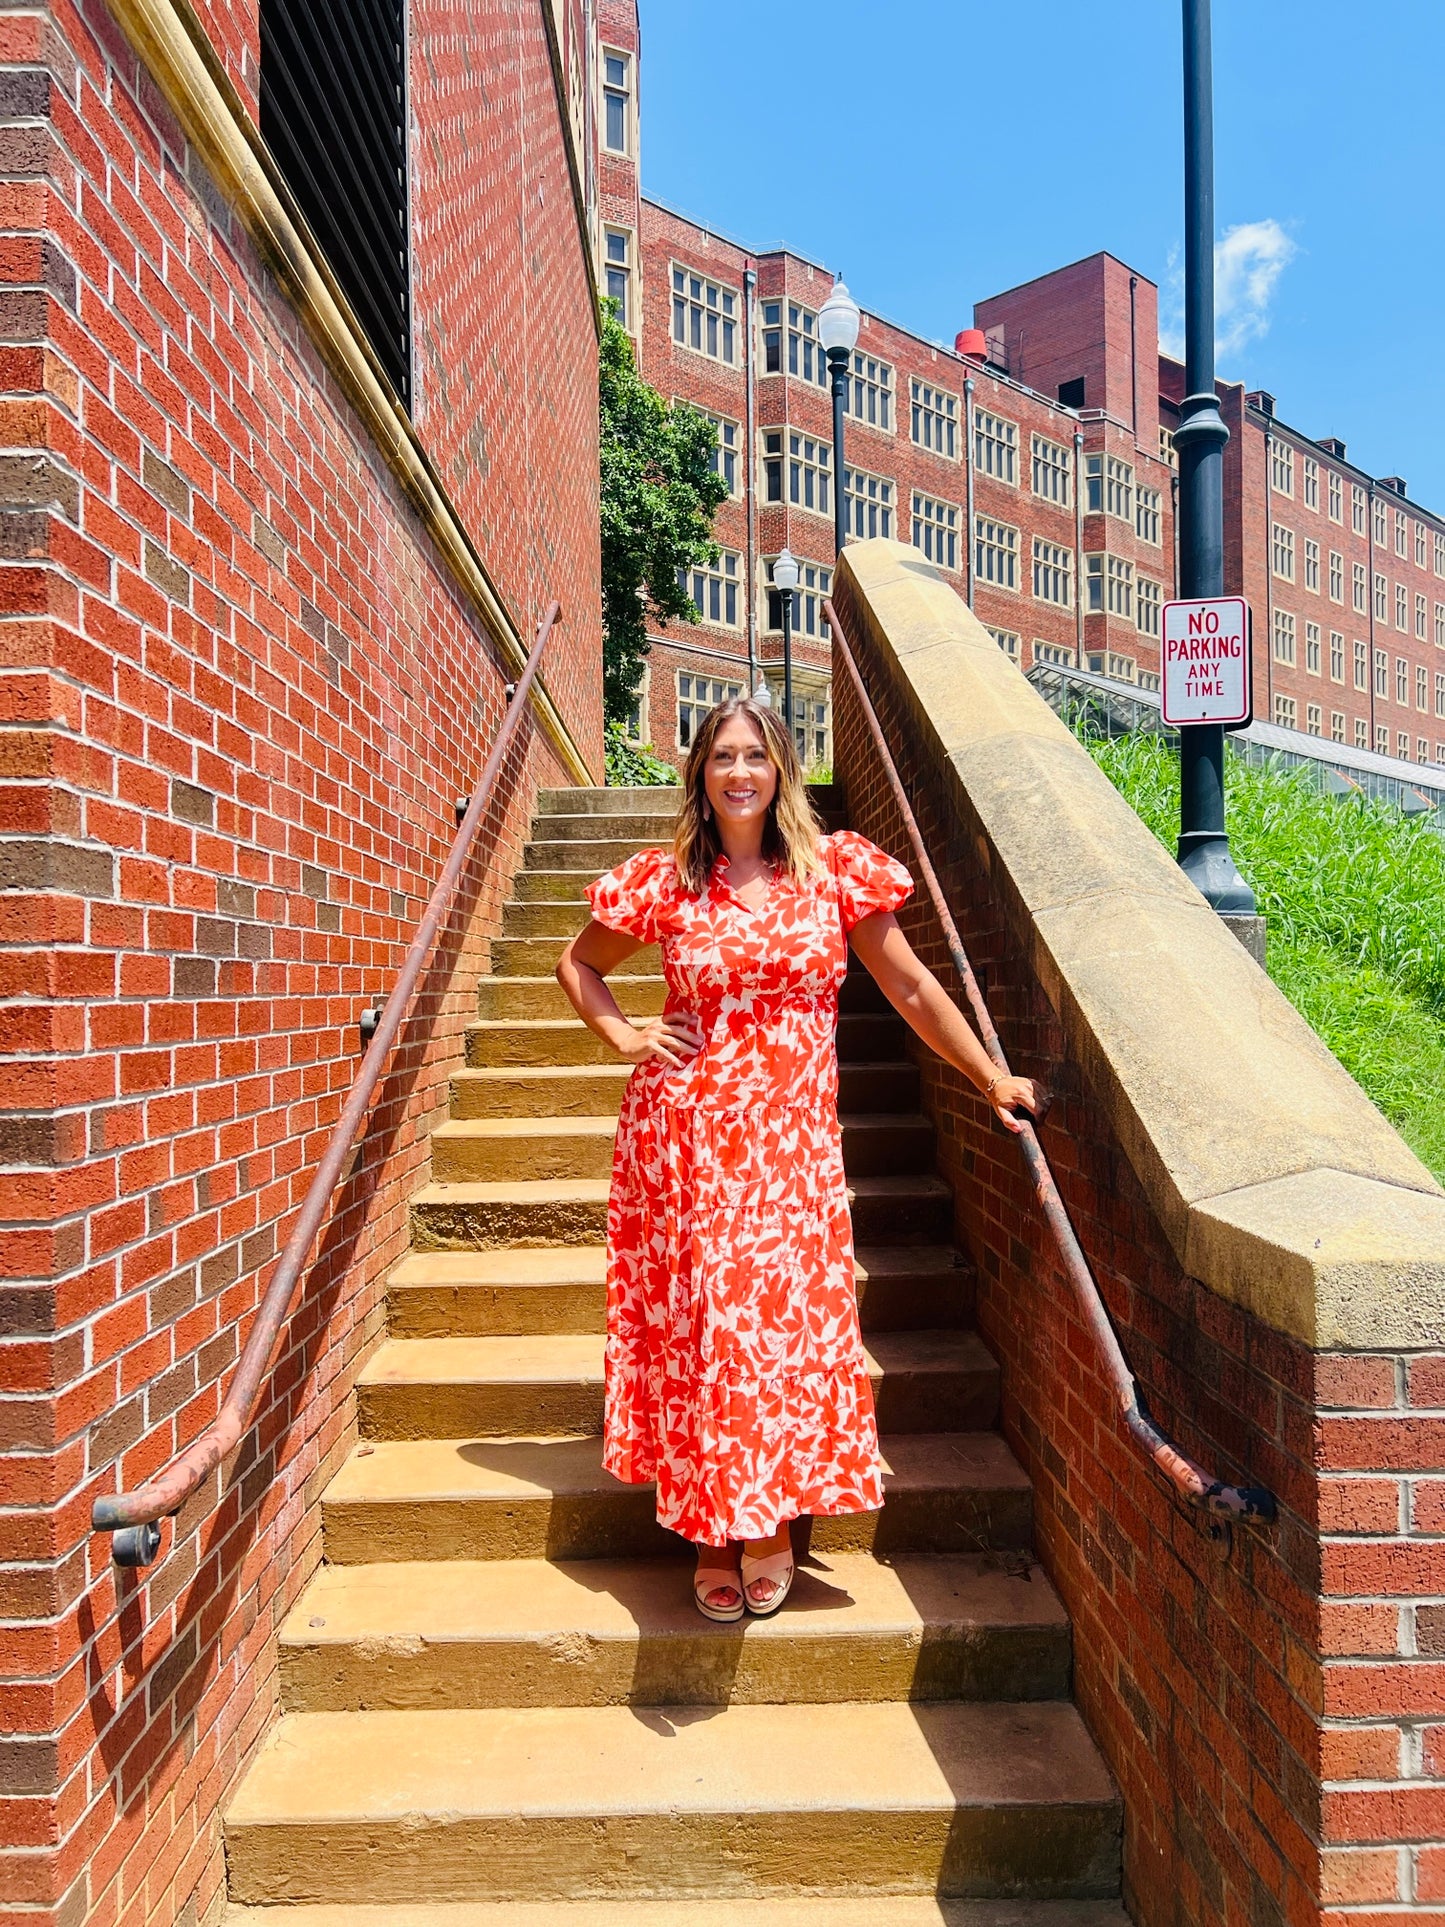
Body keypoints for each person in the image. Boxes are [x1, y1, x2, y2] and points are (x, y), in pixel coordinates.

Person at [555, 697, 1039, 1621]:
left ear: (781, 769)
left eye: (756, 756)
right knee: (709, 1337)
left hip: (791, 1150)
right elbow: (578, 964)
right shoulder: (666, 884)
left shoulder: (831, 873)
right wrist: (620, 1035)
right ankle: (710, 1530)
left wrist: (987, 1076)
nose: (739, 772)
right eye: (722, 757)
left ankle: (768, 1526)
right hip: (688, 1144)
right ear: (699, 773)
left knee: (777, 1341)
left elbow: (906, 982)